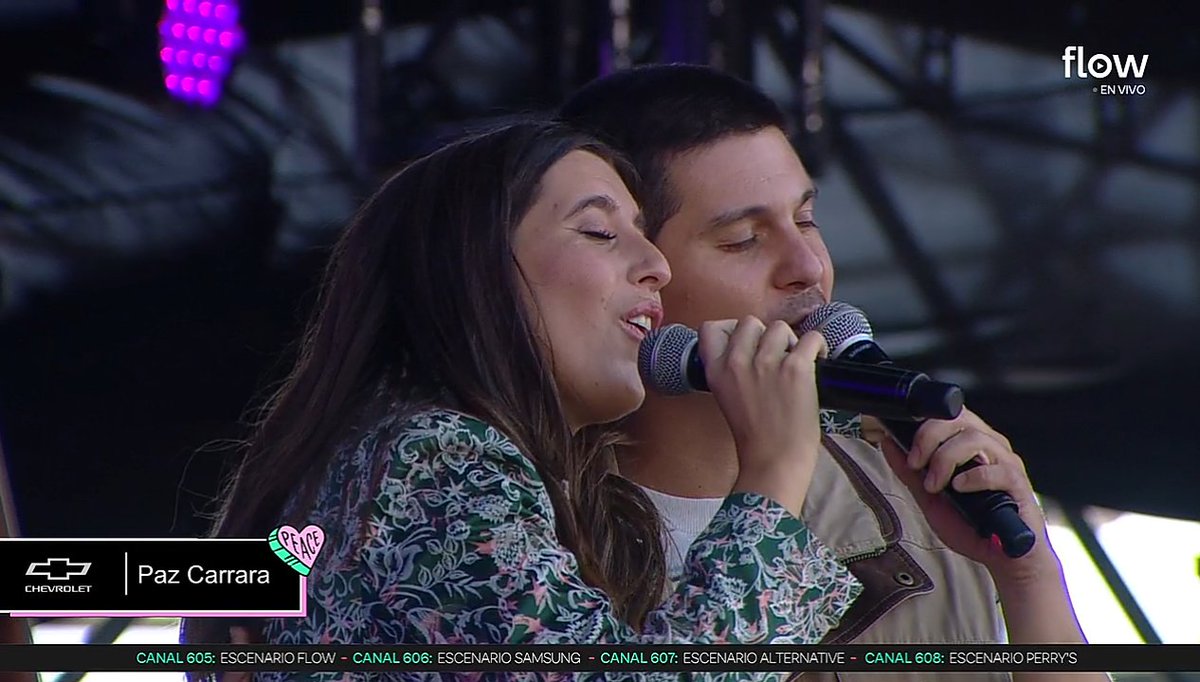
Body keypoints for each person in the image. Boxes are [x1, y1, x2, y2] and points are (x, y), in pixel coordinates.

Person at [180, 120, 862, 680]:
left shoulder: (398, 456)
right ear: (476, 272)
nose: (656, 264)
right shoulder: (430, 459)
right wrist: (773, 472)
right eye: (599, 231)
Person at [561, 64, 1107, 682]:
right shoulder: (514, 527)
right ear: (637, 277)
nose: (807, 267)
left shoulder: (920, 497)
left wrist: (1031, 580)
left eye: (806, 220)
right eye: (743, 239)